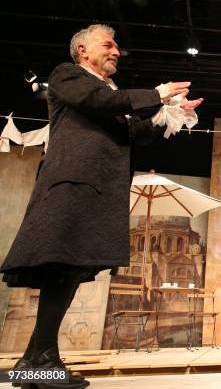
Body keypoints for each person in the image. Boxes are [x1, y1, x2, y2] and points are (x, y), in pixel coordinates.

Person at [0, 24, 202, 389]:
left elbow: (136, 133)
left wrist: (172, 115)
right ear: (82, 49)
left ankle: (32, 364)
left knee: (71, 270)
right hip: (72, 185)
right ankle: (43, 360)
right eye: (107, 45)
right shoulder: (69, 76)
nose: (115, 51)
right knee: (61, 267)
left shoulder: (110, 94)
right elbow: (98, 102)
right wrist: (154, 94)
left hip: (99, 192)